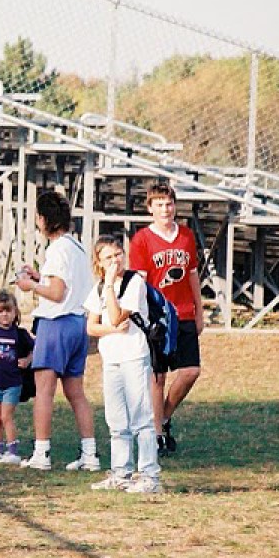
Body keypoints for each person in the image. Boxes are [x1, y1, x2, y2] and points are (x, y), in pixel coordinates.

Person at [14, 190, 99, 472]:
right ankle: (90, 454)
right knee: (76, 392)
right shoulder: (77, 247)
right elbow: (68, 285)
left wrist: (30, 286)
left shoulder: (56, 249)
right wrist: (40, 277)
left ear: (42, 219)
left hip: (56, 324)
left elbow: (57, 293)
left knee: (44, 391)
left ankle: (42, 452)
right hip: (78, 324)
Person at [128, 182, 203, 456]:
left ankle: (164, 416)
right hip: (158, 316)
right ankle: (156, 435)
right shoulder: (142, 240)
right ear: (150, 208)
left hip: (183, 313)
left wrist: (199, 310)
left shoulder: (186, 236)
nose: (165, 209)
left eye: (169, 204)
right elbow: (140, 284)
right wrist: (141, 319)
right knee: (157, 377)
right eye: (159, 204)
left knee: (190, 371)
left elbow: (192, 275)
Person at [84, 235, 163, 493]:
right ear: (99, 262)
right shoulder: (99, 288)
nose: (115, 261)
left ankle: (149, 475)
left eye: (118, 255)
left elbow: (118, 315)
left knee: (141, 417)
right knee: (116, 420)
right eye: (108, 257)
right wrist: (110, 329)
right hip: (111, 358)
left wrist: (110, 287)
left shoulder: (133, 282)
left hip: (134, 355)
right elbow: (92, 327)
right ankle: (121, 472)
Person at [0, 290, 33, 464]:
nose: (4, 315)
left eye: (8, 310)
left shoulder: (19, 334)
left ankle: (12, 451)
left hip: (12, 383)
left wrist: (27, 360)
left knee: (6, 416)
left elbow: (34, 348)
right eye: (0, 311)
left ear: (15, 312)